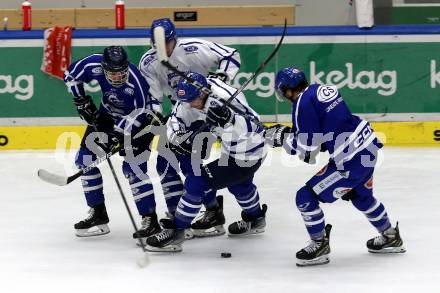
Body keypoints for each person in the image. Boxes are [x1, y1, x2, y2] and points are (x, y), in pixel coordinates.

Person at [267, 66, 405, 266]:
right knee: (361, 197)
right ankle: (390, 236)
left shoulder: (301, 104)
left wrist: (282, 139)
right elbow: (330, 127)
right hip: (368, 148)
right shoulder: (319, 89)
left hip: (351, 160)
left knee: (305, 197)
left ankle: (319, 244)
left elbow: (308, 150)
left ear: (286, 89)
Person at [138, 18, 242, 237]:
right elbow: (153, 95)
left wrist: (221, 77)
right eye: (156, 45)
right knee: (164, 161)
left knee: (190, 163)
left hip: (207, 112)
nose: (161, 49)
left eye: (165, 43)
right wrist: (155, 112)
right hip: (180, 113)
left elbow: (231, 55)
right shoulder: (148, 62)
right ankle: (178, 212)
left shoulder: (192, 48)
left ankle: (212, 211)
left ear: (174, 39)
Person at [145, 72, 267, 252]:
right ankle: (256, 219)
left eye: (193, 100)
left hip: (249, 152)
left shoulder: (226, 98)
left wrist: (231, 120)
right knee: (239, 185)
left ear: (203, 92)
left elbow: (256, 126)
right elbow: (175, 120)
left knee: (197, 182)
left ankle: (178, 231)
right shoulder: (189, 94)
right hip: (229, 150)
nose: (190, 105)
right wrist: (179, 138)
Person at [64, 46, 162, 238]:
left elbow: (140, 113)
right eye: (113, 73)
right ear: (103, 68)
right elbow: (70, 74)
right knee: (85, 160)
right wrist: (81, 100)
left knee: (133, 169)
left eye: (121, 73)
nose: (118, 77)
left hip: (142, 122)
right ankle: (98, 213)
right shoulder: (93, 64)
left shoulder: (136, 81)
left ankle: (150, 219)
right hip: (107, 116)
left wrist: (117, 136)